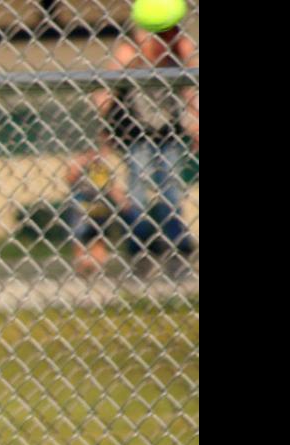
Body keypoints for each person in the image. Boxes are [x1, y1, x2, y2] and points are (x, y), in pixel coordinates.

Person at [93, 21, 199, 278]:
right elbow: (103, 93)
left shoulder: (177, 46)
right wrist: (105, 126)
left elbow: (191, 87)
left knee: (170, 194)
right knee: (138, 194)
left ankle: (177, 252)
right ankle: (141, 251)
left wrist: (195, 120)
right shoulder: (130, 51)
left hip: (168, 133)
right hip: (136, 133)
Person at [62, 145, 128, 277]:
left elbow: (112, 186)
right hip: (81, 208)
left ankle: (96, 267)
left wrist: (122, 201)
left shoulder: (104, 168)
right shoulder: (81, 166)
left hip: (100, 208)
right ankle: (82, 267)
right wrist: (84, 160)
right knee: (79, 237)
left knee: (99, 238)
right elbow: (70, 176)